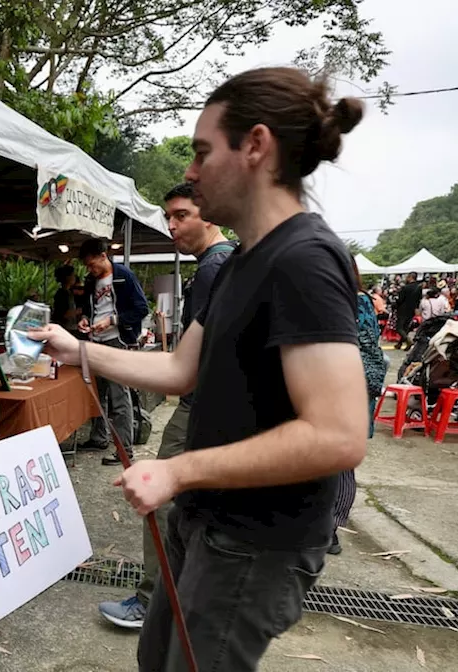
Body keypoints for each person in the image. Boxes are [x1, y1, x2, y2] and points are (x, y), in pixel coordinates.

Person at [33, 67, 367, 672]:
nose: (190, 170)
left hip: (256, 538)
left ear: (256, 147)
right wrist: (78, 350)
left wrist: (178, 470)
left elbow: (338, 435)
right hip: (206, 519)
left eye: (202, 151)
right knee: (156, 657)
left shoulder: (304, 259)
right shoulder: (240, 261)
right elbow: (182, 368)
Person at [97, 182, 236, 629]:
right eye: (168, 217)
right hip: (215, 408)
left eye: (180, 215)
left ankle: (153, 599)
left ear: (210, 213)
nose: (171, 225)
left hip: (200, 408)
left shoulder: (216, 268)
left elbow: (183, 368)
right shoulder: (229, 262)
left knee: (156, 498)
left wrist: (87, 353)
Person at [75, 238, 149, 465]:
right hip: (95, 341)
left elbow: (142, 308)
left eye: (92, 264)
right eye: (87, 266)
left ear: (103, 255)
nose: (90, 269)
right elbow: (89, 308)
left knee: (119, 398)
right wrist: (85, 320)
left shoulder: (124, 276)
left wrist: (112, 321)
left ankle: (124, 450)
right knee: (98, 394)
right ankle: (99, 437)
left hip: (117, 341)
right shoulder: (91, 281)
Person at [332, 258, 385, 556]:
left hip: (352, 386)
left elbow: (356, 347)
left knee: (341, 461)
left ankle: (332, 528)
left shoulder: (355, 301)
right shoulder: (351, 298)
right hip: (344, 384)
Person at [395, 272, 424, 350]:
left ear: (410, 277)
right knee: (406, 327)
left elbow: (400, 299)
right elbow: (419, 299)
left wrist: (395, 304)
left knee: (399, 328)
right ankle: (400, 343)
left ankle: (408, 341)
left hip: (403, 309)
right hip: (412, 309)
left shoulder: (405, 287)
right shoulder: (418, 287)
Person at [52, 265, 82, 336]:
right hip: (65, 329)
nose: (74, 277)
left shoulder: (70, 292)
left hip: (71, 328)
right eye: (72, 275)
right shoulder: (61, 294)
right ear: (67, 277)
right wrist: (81, 310)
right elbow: (64, 314)